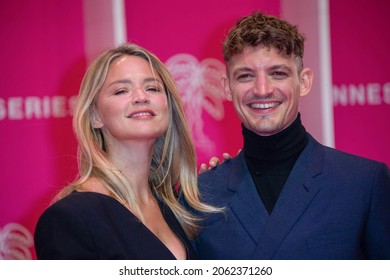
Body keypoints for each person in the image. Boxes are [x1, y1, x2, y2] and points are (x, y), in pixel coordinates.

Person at [185, 11, 390, 259]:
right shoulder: (199, 196)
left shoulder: (363, 183)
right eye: (246, 76)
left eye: (278, 73)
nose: (262, 90)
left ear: (303, 82)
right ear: (227, 87)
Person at [34, 43, 221, 260]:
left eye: (152, 88)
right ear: (95, 116)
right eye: (121, 90)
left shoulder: (179, 209)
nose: (141, 97)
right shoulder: (68, 218)